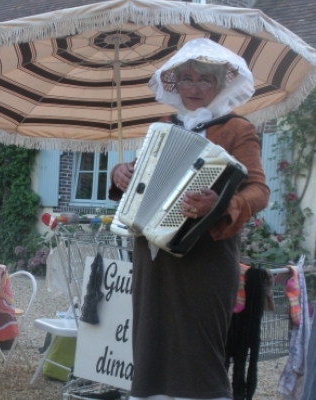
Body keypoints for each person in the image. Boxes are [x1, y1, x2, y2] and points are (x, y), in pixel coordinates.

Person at [109, 38, 270, 399]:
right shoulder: (163, 125)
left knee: (200, 346)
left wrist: (222, 204)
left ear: (220, 84)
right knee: (150, 339)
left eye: (204, 80)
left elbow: (259, 190)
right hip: (152, 252)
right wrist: (120, 174)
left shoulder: (237, 129)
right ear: (175, 84)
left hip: (205, 254)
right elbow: (144, 176)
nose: (194, 88)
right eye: (186, 79)